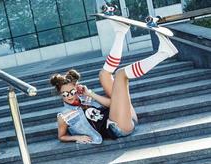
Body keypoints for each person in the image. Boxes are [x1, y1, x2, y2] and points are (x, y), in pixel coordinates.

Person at [50, 19, 178, 144]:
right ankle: (163, 54)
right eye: (65, 94)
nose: (69, 96)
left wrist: (90, 94)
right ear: (60, 94)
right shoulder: (64, 115)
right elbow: (61, 136)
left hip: (125, 117)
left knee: (104, 74)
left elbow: (112, 104)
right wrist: (77, 138)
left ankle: (120, 32)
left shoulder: (86, 99)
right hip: (117, 129)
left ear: (76, 87)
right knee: (121, 74)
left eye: (71, 91)